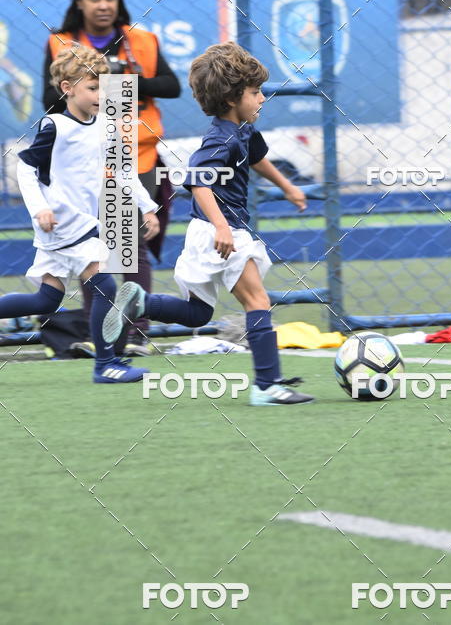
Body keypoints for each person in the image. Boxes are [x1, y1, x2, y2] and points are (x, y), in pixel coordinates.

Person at [104, 41, 314, 405]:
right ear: (233, 98)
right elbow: (198, 182)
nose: (263, 98)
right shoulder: (221, 139)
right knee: (257, 300)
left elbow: (259, 158)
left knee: (197, 313)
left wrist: (288, 186)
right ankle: (267, 386)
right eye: (255, 92)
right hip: (222, 231)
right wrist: (221, 227)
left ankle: (140, 302)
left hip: (205, 232)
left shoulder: (244, 131)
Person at [42, 0, 181, 353]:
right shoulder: (61, 43)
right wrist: (92, 90)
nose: (104, 5)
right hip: (84, 160)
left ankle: (135, 333)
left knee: (130, 244)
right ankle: (98, 334)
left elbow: (171, 86)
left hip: (135, 155)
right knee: (93, 247)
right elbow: (46, 100)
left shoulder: (140, 41)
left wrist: (124, 80)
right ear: (80, 3)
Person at [1, 46, 160, 382]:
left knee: (46, 299)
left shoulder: (106, 124)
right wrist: (41, 208)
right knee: (103, 282)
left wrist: (147, 206)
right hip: (64, 221)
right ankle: (106, 366)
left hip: (75, 224)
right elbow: (27, 169)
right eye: (92, 87)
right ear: (67, 88)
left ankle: (107, 364)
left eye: (104, 87)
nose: (101, 95)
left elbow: (123, 170)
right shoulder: (54, 125)